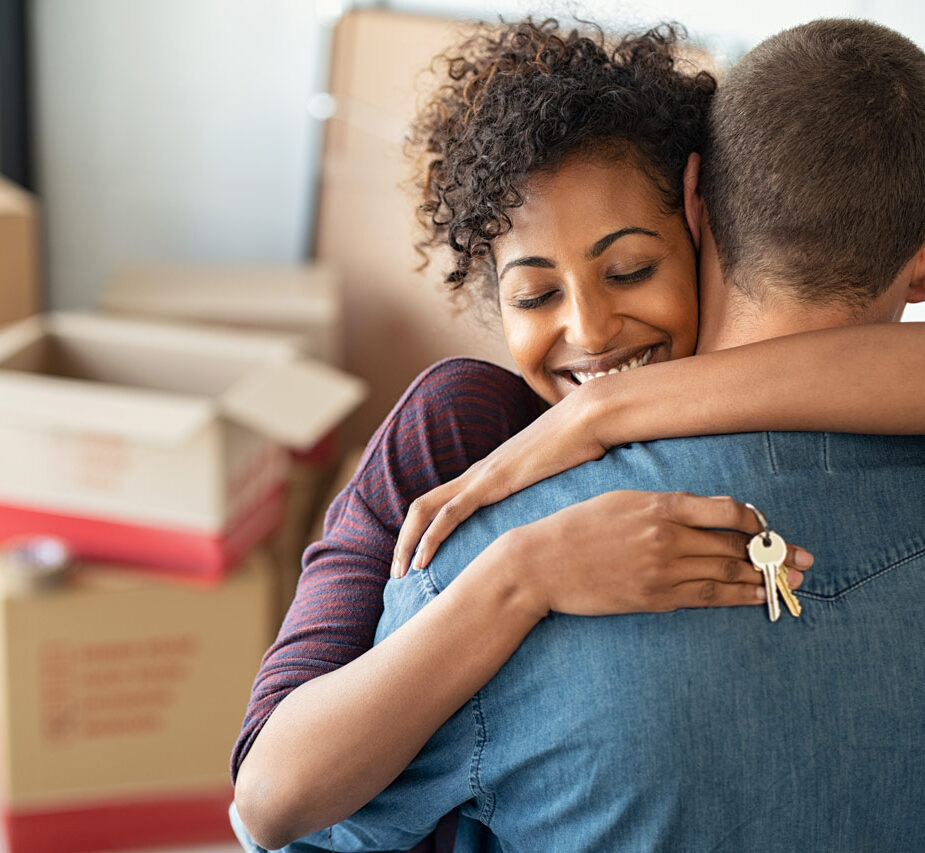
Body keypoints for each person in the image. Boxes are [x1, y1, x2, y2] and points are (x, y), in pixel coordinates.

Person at [232, 19, 925, 852]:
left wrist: (600, 415)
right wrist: (521, 574)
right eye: (534, 296)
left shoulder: (504, 520)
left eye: (630, 269)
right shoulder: (453, 455)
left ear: (695, 209)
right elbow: (268, 801)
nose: (592, 331)